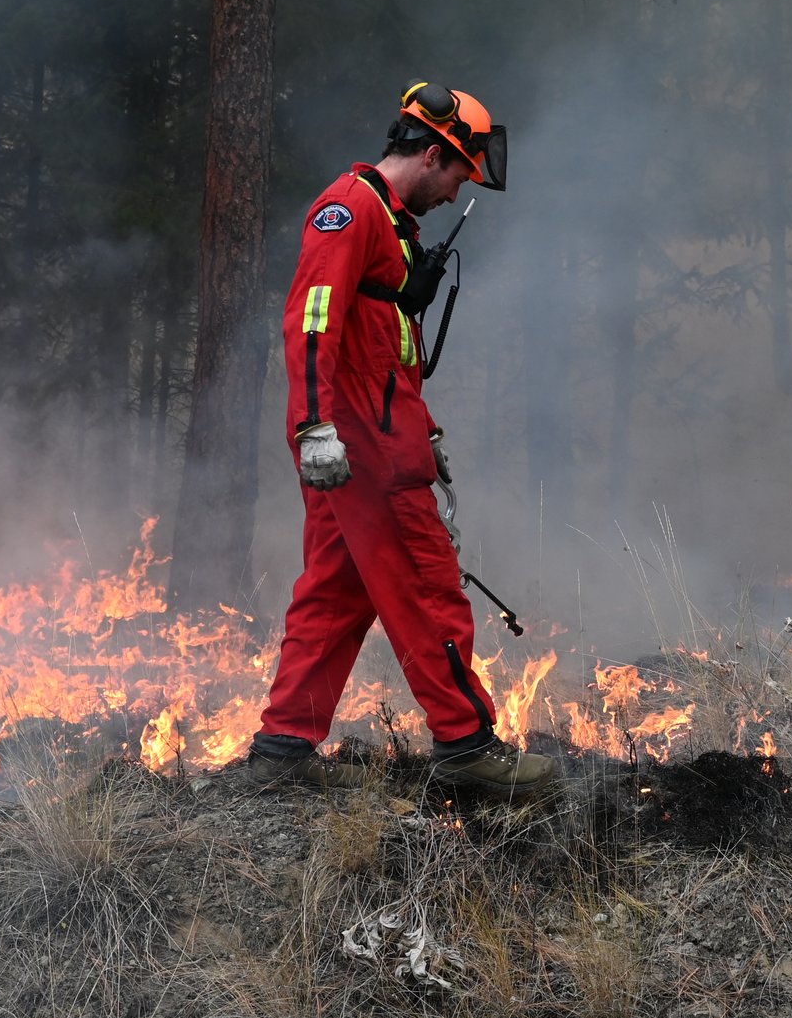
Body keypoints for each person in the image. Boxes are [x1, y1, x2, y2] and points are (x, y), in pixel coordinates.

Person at [228, 83, 557, 796]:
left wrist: (426, 428)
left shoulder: (391, 222)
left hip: (372, 443)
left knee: (334, 594)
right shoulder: (350, 212)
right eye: (457, 175)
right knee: (429, 582)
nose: (454, 193)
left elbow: (386, 351)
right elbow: (313, 321)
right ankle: (467, 745)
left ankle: (282, 749)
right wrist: (314, 427)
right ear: (433, 153)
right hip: (365, 455)